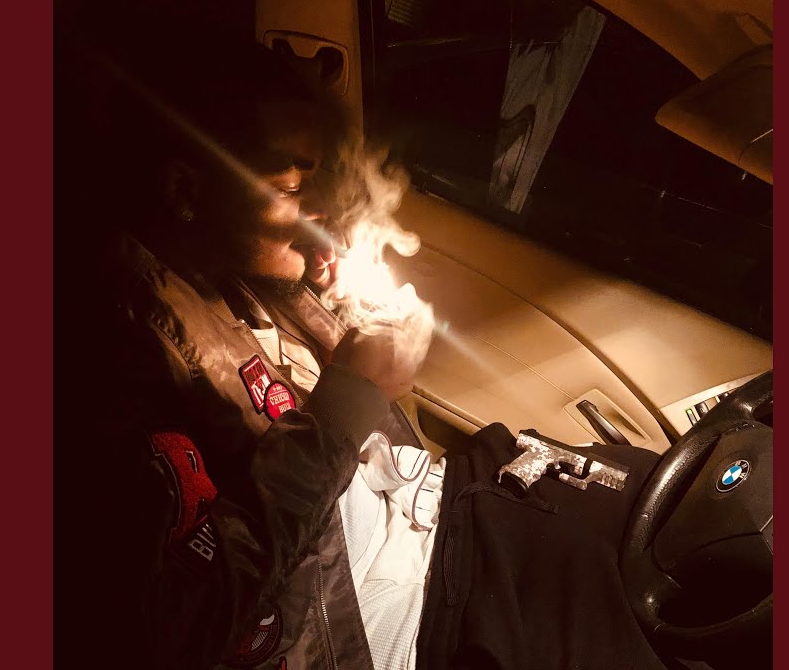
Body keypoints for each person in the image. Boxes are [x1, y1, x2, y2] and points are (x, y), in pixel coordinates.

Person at [65, 41, 670, 670]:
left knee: (650, 498)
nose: (319, 206)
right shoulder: (112, 366)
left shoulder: (227, 271)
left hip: (433, 512)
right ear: (183, 189)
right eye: (291, 185)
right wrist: (349, 399)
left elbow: (305, 399)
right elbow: (177, 625)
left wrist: (332, 302)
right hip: (405, 618)